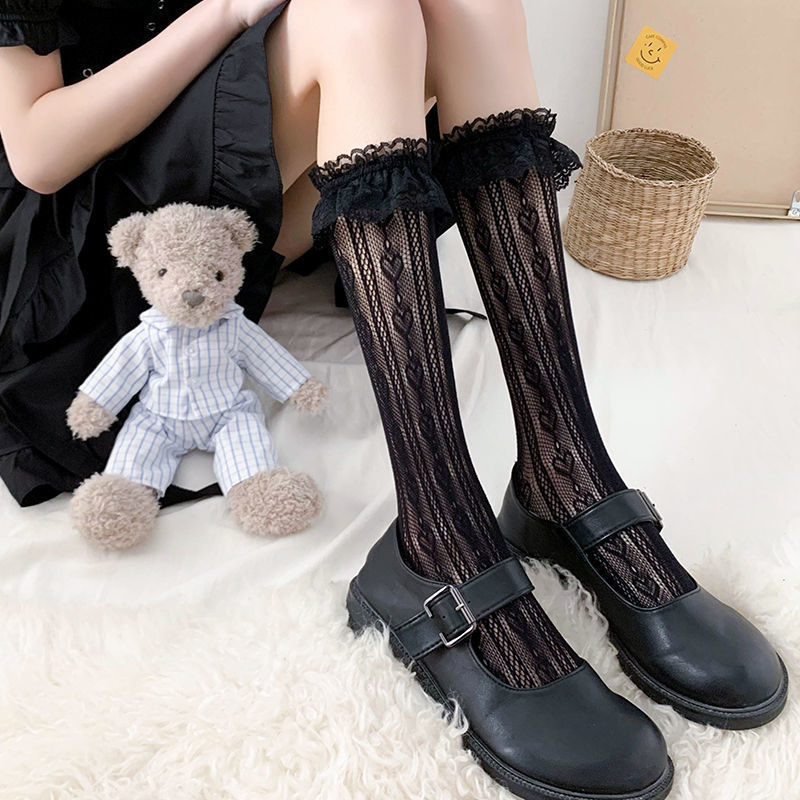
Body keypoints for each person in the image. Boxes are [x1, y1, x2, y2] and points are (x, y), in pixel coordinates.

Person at [0, 1, 786, 797]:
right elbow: (36, 151)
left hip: (238, 203)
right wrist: (226, 11)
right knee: (361, 13)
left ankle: (564, 471)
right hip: (101, 257)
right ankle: (437, 537)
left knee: (470, 3)